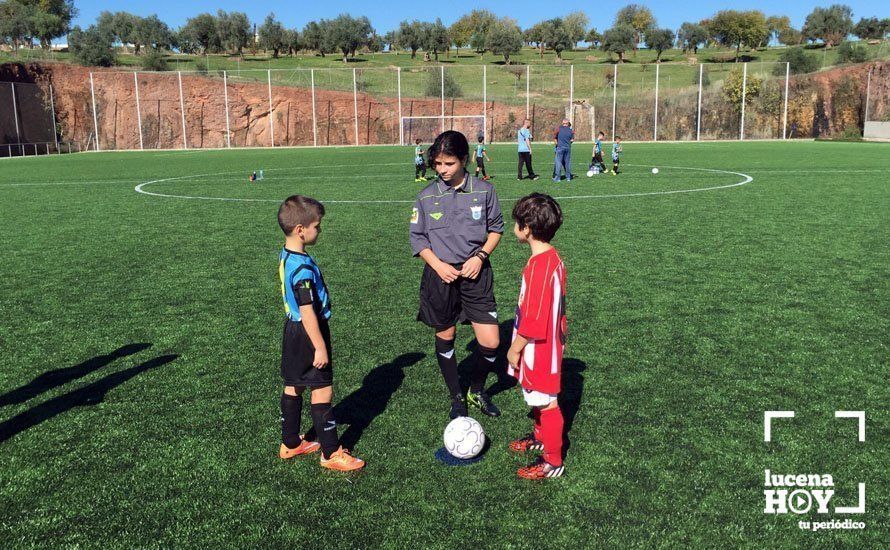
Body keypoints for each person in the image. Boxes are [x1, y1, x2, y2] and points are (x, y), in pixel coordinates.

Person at [410, 131, 505, 419]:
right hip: (441, 277)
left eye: (448, 163)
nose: (442, 170)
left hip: (477, 274)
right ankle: (456, 396)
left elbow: (496, 229)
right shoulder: (425, 197)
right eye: (438, 164)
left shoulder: (485, 191)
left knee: (491, 341)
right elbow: (417, 240)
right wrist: (437, 265)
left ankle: (476, 389)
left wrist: (480, 256)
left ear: (464, 159)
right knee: (446, 334)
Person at [277, 195, 365, 471]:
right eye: (317, 226)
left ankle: (290, 443)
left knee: (295, 384)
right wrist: (320, 346)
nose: (320, 230)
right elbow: (308, 311)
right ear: (301, 230)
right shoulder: (302, 269)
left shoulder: (287, 254)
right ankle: (331, 453)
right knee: (322, 389)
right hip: (308, 333)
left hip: (292, 331)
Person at [506, 193, 568, 479]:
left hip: (539, 349)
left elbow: (535, 319)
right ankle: (541, 438)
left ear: (527, 228)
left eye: (517, 223)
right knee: (539, 397)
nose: (514, 227)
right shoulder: (550, 258)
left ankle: (552, 462)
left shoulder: (541, 267)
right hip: (545, 346)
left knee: (547, 402)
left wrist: (516, 349)